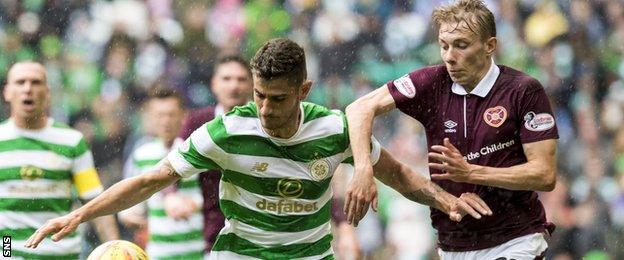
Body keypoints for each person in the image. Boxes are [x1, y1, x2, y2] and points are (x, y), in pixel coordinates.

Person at [25, 38, 491, 259]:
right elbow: (148, 181)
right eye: (258, 95)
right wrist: (77, 218)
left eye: (278, 98)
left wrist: (445, 198)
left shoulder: (334, 129)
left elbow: (400, 175)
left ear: (303, 90)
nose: (265, 109)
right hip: (237, 253)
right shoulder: (226, 130)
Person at [344, 0, 558, 259]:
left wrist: (472, 172)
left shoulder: (523, 90)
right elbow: (358, 109)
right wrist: (363, 169)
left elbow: (544, 175)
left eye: (461, 45)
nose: (449, 56)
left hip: (515, 240)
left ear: (490, 46)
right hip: (453, 246)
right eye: (444, 46)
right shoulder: (432, 83)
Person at [177, 54, 362, 258]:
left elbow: (313, 182)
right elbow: (170, 168)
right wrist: (171, 197)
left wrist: (344, 225)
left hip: (279, 241)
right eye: (227, 79)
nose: (234, 86)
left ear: (253, 84)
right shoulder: (199, 122)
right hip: (215, 237)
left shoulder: (276, 122)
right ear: (214, 84)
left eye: (241, 79)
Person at [0, 61, 119, 259]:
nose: (28, 89)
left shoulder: (72, 141)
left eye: (35, 82)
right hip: (9, 250)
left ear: (47, 93)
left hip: (61, 254)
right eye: (20, 82)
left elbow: (94, 201)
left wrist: (115, 249)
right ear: (7, 92)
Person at [118, 88, 205, 259]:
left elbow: (213, 196)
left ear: (183, 115)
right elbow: (129, 205)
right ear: (150, 117)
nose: (166, 121)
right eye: (160, 115)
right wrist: (131, 217)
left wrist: (193, 205)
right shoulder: (141, 155)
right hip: (158, 252)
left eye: (171, 114)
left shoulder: (197, 151)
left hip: (196, 251)